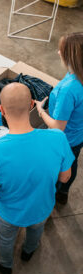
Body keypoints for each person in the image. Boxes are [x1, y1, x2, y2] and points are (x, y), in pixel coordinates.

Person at [0, 83, 75, 274]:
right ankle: (29, 251)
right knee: (36, 230)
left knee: (5, 239)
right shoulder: (57, 137)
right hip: (42, 207)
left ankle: (5, 264)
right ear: (31, 105)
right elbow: (65, 176)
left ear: (2, 110)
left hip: (8, 214)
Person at [35, 32, 83, 205]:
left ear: (71, 56)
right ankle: (63, 193)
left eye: (61, 50)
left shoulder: (69, 89)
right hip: (78, 135)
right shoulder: (77, 75)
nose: (57, 53)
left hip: (65, 139)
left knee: (57, 169)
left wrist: (41, 110)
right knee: (72, 162)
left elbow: (57, 127)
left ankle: (51, 194)